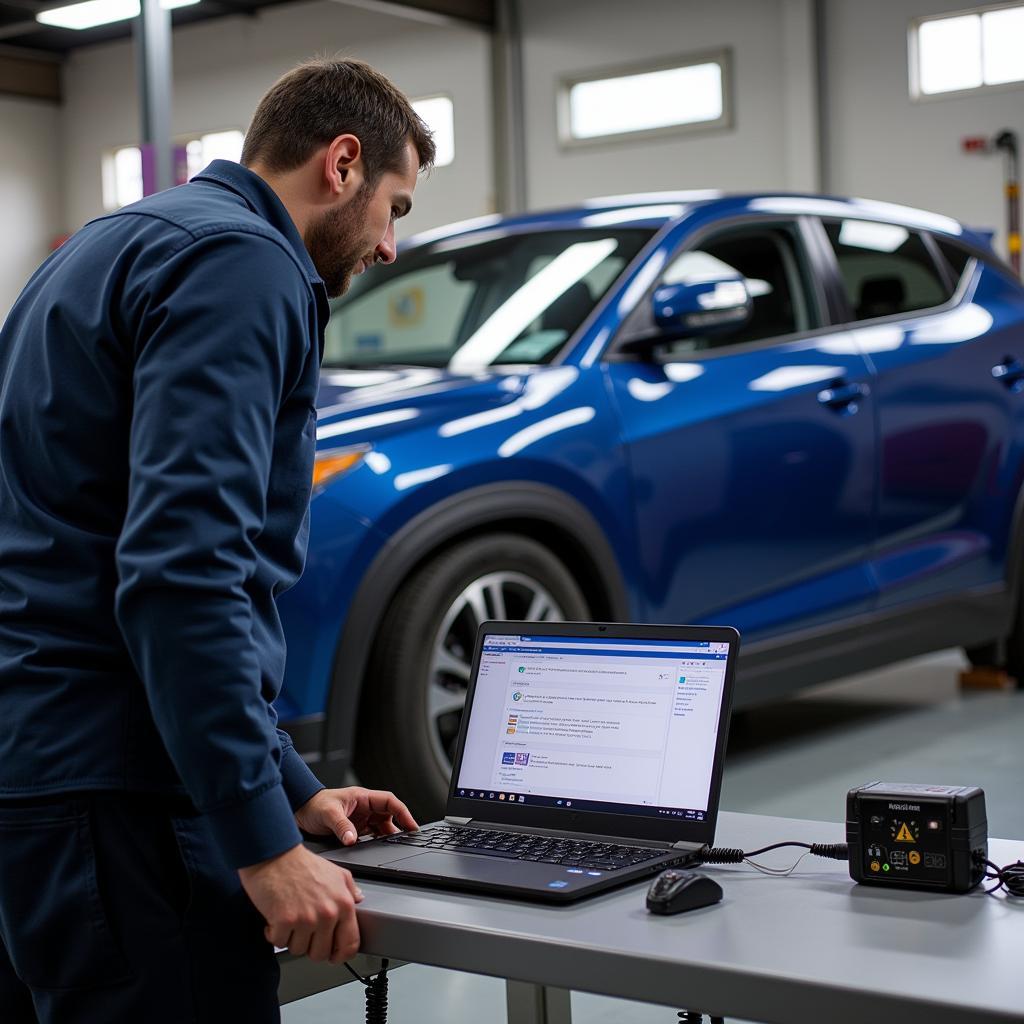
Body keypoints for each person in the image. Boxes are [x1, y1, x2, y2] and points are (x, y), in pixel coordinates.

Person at [0, 58, 436, 1023]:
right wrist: (264, 842)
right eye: (393, 207)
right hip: (124, 801)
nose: (390, 245)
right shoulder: (244, 265)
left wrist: (289, 785)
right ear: (342, 162)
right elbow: (183, 579)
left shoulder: (112, 243)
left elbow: (88, 538)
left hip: (44, 779)